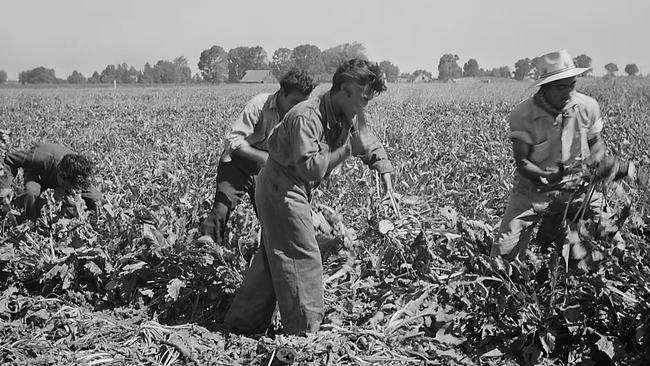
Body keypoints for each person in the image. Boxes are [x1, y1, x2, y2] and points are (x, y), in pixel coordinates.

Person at [224, 59, 396, 335]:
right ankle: (305, 333)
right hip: (281, 188)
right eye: (363, 98)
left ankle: (241, 324)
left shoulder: (344, 112)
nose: (365, 105)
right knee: (302, 255)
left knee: (273, 257)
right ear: (344, 90)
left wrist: (382, 166)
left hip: (289, 187)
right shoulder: (307, 116)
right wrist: (348, 149)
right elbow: (311, 168)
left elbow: (366, 138)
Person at [490, 50, 640, 262]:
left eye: (572, 85)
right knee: (503, 255)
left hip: (576, 188)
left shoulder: (587, 107)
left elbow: (596, 144)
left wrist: (599, 162)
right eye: (561, 86)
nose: (569, 92)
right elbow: (523, 162)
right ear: (545, 87)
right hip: (533, 191)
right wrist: (546, 175)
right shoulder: (523, 114)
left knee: (613, 244)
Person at [198, 69, 317, 245]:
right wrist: (265, 158)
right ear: (282, 93)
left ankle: (270, 256)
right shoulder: (259, 105)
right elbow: (233, 141)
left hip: (268, 173)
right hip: (237, 165)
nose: (298, 107)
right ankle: (204, 252)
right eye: (295, 102)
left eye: (303, 103)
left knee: (275, 218)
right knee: (221, 210)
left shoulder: (302, 117)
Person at [4, 142, 103, 221]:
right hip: (38, 173)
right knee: (31, 192)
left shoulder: (77, 171)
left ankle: (93, 224)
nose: (69, 190)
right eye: (65, 186)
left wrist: (73, 196)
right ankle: (29, 223)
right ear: (60, 174)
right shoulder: (40, 157)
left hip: (68, 176)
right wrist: (5, 187)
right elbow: (8, 159)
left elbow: (79, 187)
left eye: (72, 187)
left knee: (97, 200)